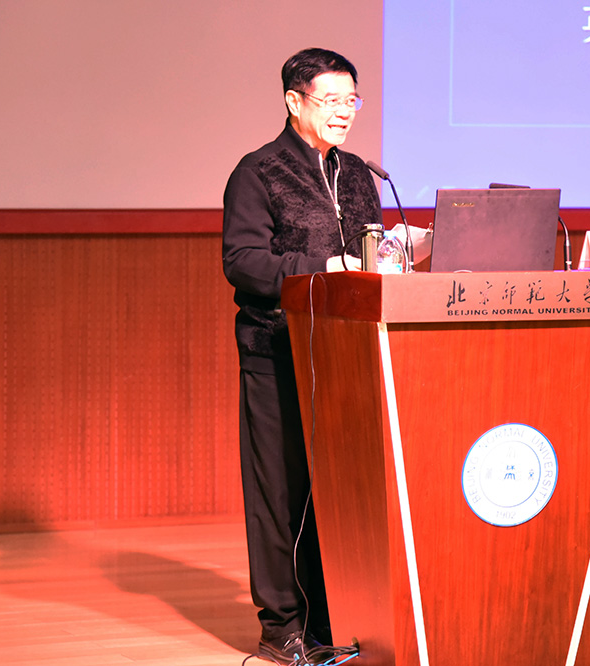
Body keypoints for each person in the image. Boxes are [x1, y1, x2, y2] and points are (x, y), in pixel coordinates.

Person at [221, 48, 382, 664]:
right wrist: (323, 266)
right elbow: (244, 262)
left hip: (348, 355)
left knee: (341, 491)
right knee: (281, 494)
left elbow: (369, 255)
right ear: (294, 101)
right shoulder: (258, 172)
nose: (344, 112)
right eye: (330, 100)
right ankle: (283, 628)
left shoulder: (359, 173)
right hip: (278, 350)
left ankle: (339, 615)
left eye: (351, 100)